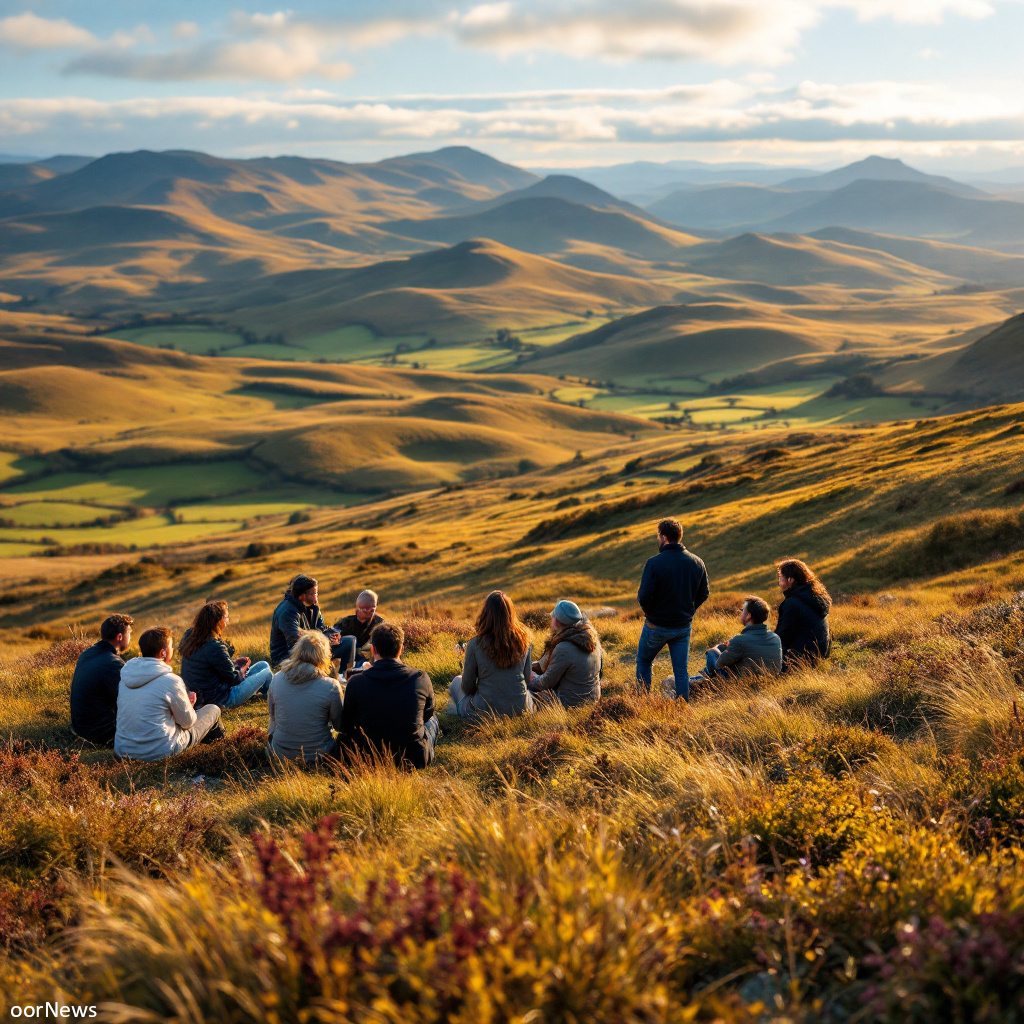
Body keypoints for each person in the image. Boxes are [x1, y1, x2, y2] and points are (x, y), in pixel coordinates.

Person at [339, 622, 439, 769]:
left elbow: (347, 723)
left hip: (367, 757)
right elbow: (427, 714)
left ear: (373, 649)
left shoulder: (356, 682)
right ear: (402, 649)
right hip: (412, 758)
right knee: (433, 720)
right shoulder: (420, 678)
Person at [114, 627, 223, 761]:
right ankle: (221, 754)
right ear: (163, 653)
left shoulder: (126, 678)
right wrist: (189, 706)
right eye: (171, 646)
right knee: (213, 709)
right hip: (160, 752)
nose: (174, 649)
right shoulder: (171, 681)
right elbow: (187, 723)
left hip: (123, 751)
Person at [635, 518, 710, 700]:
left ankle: (642, 702)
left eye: (658, 536)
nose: (658, 539)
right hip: (683, 626)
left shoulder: (654, 563)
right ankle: (682, 704)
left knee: (644, 662)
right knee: (681, 670)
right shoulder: (697, 562)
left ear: (664, 537)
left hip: (656, 625)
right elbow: (704, 593)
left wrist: (650, 613)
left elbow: (643, 596)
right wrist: (689, 611)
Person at [449, 591, 534, 720]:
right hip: (521, 710)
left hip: (485, 713)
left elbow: (467, 686)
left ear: (485, 614)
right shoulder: (525, 640)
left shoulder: (475, 644)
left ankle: (456, 713)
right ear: (511, 613)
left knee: (456, 682)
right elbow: (527, 680)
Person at [267, 630, 344, 762]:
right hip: (319, 755)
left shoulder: (277, 679)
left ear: (297, 650)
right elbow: (340, 726)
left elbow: (273, 717)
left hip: (280, 754)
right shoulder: (330, 686)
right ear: (324, 656)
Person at [180, 601, 272, 709]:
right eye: (226, 618)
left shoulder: (190, 636)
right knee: (266, 673)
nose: (228, 622)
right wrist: (241, 670)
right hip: (221, 699)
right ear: (218, 622)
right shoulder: (214, 646)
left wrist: (233, 663)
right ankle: (275, 698)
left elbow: (210, 666)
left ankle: (262, 694)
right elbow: (233, 679)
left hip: (200, 696)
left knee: (263, 665)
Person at [69, 613, 134, 746]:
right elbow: (127, 701)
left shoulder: (86, 654)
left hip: (79, 727)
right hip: (101, 734)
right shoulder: (113, 663)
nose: (130, 638)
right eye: (129, 634)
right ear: (120, 637)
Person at [528, 600, 602, 708]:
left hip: (571, 703)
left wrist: (532, 678)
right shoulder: (593, 640)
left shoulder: (564, 648)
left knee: (526, 693)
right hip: (593, 698)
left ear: (556, 621)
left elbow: (546, 682)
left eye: (553, 617)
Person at [697, 596, 782, 683]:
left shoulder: (740, 640)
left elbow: (720, 663)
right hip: (769, 681)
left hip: (743, 683)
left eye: (743, 610)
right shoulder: (775, 638)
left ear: (749, 616)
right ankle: (703, 679)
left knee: (712, 653)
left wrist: (717, 647)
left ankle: (707, 679)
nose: (741, 613)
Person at [269, 574, 342, 667]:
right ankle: (327, 679)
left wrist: (332, 635)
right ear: (301, 596)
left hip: (310, 649)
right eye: (313, 594)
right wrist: (324, 640)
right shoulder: (288, 611)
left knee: (348, 642)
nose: (316, 597)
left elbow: (322, 628)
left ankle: (344, 675)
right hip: (287, 657)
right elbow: (295, 639)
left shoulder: (312, 607)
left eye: (316, 593)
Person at [775, 558, 832, 670]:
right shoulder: (814, 597)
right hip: (820, 655)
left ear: (790, 580)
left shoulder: (792, 603)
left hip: (799, 659)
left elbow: (782, 636)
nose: (779, 582)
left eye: (780, 578)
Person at [332, 589, 385, 674]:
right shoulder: (345, 623)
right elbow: (332, 634)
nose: (360, 611)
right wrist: (336, 638)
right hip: (346, 660)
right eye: (361, 608)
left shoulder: (380, 625)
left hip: (368, 661)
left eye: (370, 609)